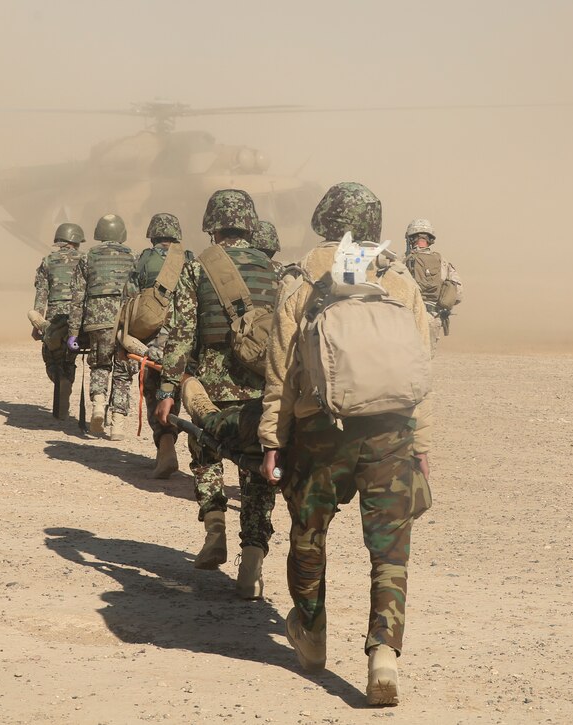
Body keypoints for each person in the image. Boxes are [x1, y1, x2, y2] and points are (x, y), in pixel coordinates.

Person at [259, 182, 433, 706]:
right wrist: (421, 445)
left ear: (324, 220)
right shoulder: (399, 279)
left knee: (309, 534)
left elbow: (281, 371)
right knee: (389, 547)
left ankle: (311, 636)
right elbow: (420, 369)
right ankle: (383, 653)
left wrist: (273, 439)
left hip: (320, 433)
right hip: (390, 432)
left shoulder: (302, 279)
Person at [154, 189, 279, 600]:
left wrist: (169, 388)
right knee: (257, 470)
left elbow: (181, 334)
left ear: (212, 224)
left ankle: (215, 530)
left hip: (209, 387)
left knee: (207, 455)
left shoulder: (197, 268)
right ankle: (253, 561)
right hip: (262, 390)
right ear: (248, 223)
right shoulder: (273, 270)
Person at [131, 213, 195, 478]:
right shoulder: (189, 259)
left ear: (153, 234)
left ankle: (165, 446)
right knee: (175, 392)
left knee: (157, 393)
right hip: (184, 339)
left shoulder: (144, 260)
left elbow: (131, 300)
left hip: (153, 341)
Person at [66, 214, 136, 440]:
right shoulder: (132, 257)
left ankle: (97, 406)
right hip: (126, 321)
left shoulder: (88, 258)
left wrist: (73, 332)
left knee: (100, 365)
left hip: (97, 320)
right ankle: (118, 424)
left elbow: (77, 298)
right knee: (123, 371)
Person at [30, 223, 85, 419]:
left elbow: (41, 294)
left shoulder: (48, 261)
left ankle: (60, 378)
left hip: (54, 317)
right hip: (78, 317)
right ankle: (67, 380)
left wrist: (37, 324)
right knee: (70, 357)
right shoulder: (84, 259)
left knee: (51, 356)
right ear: (77, 241)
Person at [403, 219, 463, 356]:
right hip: (432, 318)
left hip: (407, 317)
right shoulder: (443, 262)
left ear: (410, 239)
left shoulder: (402, 261)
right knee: (424, 361)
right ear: (430, 239)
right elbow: (458, 294)